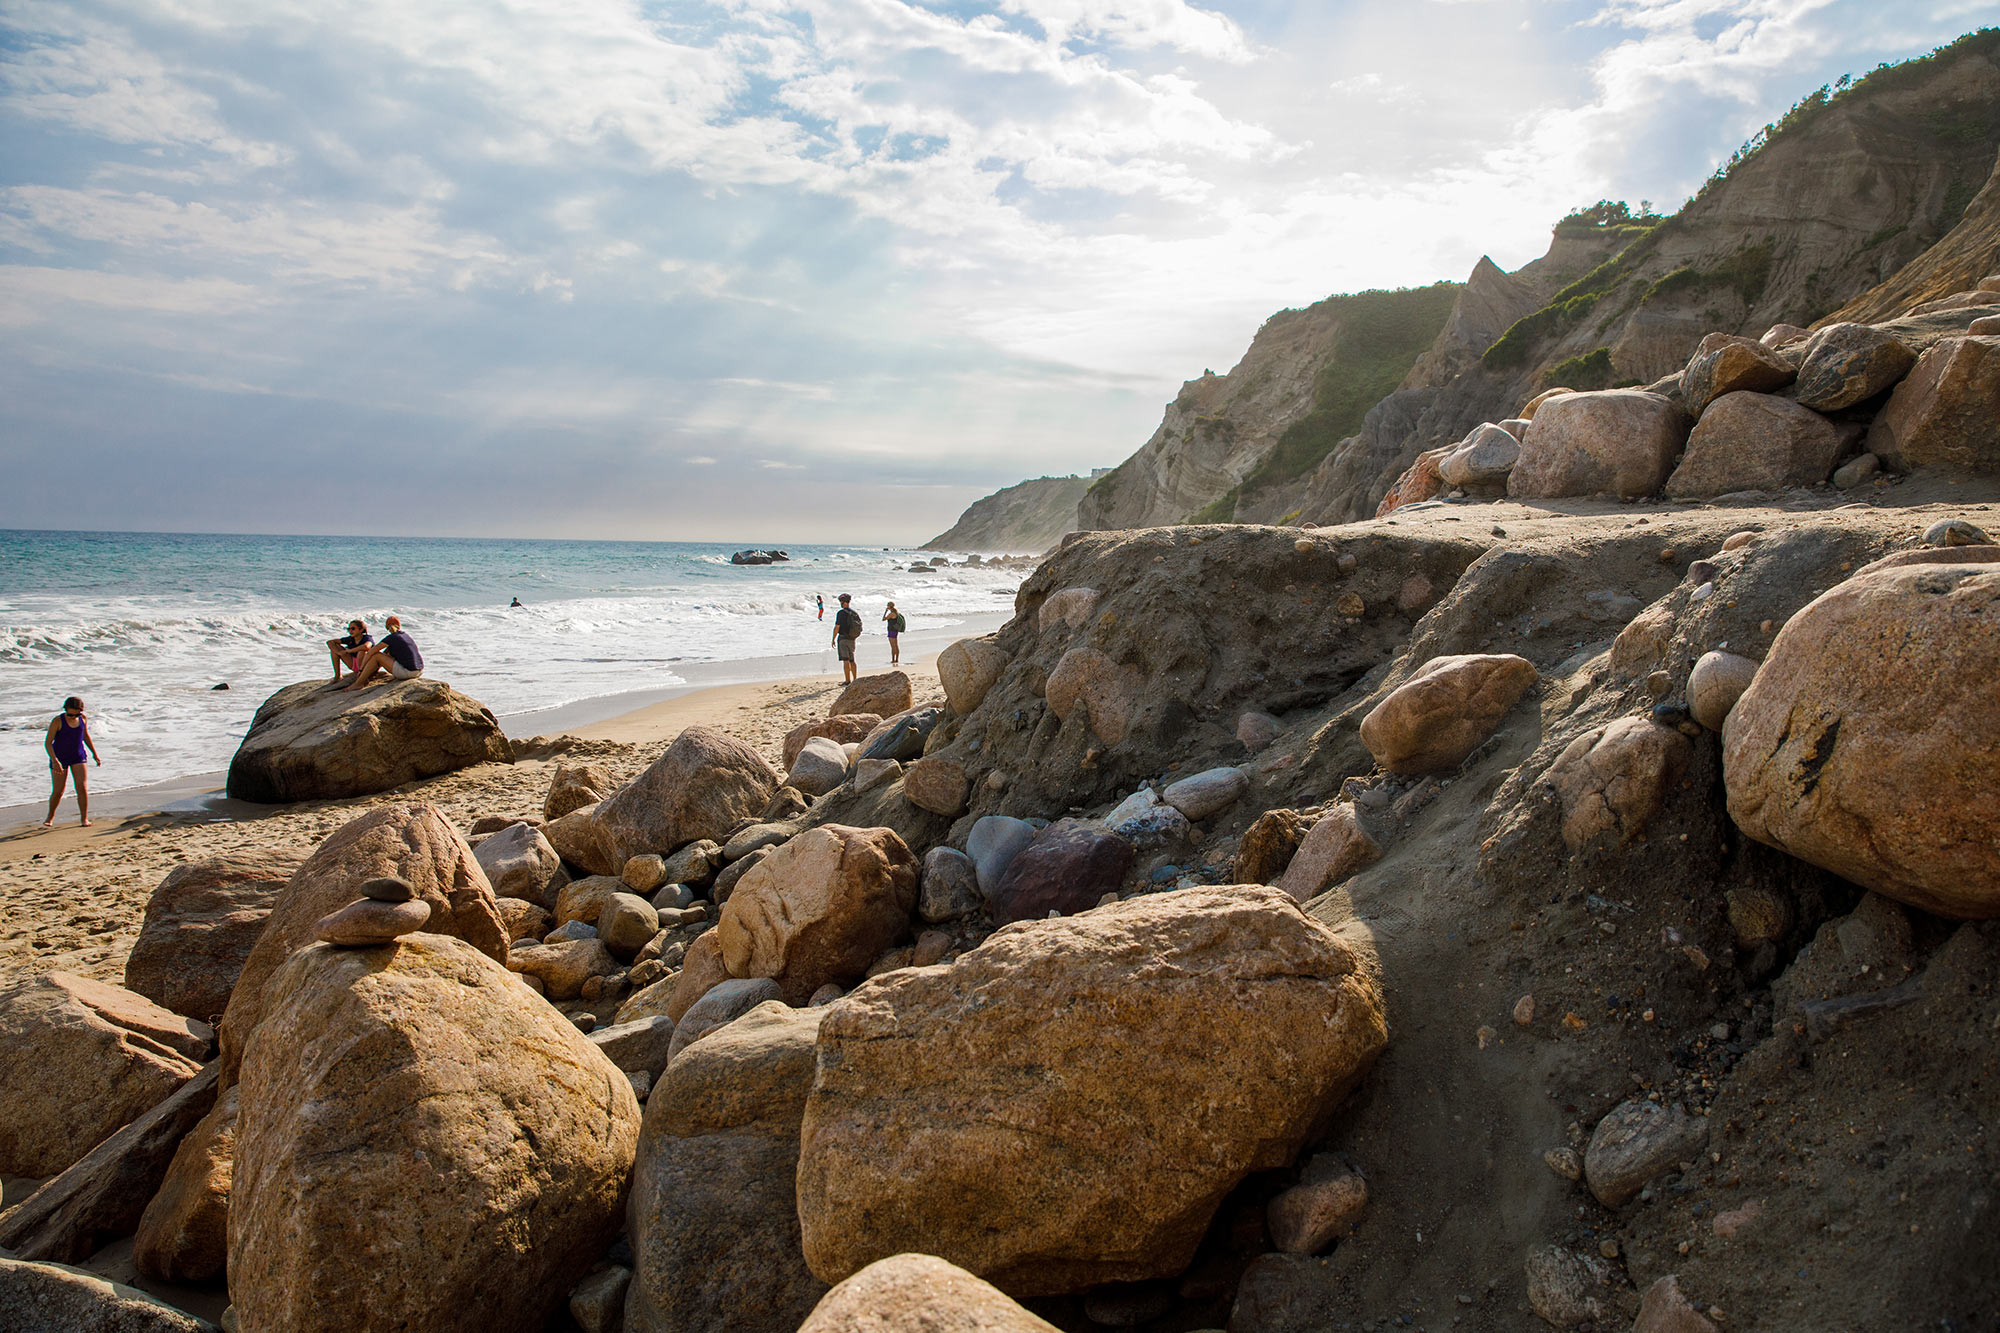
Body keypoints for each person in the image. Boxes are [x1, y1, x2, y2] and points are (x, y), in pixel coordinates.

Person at [43, 696, 100, 828]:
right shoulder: (58, 721)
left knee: (81, 787)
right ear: (65, 709)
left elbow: (85, 736)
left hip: (78, 756)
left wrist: (94, 753)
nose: (73, 717)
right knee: (58, 791)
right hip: (59, 758)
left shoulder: (83, 719)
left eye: (76, 714)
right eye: (70, 714)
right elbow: (48, 743)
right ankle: (50, 817)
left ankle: (84, 819)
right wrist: (54, 760)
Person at [342, 615, 425, 689]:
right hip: (419, 671)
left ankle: (358, 683)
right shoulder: (405, 635)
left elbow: (371, 652)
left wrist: (361, 670)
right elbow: (385, 655)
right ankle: (368, 676)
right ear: (399, 626)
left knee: (376, 656)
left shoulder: (391, 638)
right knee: (381, 656)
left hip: (408, 673)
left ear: (387, 627)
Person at [831, 594, 862, 684]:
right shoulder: (854, 613)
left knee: (845, 660)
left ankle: (847, 680)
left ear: (843, 602)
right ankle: (855, 679)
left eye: (841, 602)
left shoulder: (841, 613)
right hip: (852, 638)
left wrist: (833, 638)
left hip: (843, 638)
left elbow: (837, 627)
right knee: (852, 660)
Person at [882, 601, 906, 665]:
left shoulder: (892, 614)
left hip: (891, 630)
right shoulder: (896, 613)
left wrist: (885, 612)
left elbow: (883, 619)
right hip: (895, 630)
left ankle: (893, 659)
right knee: (896, 645)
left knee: (893, 646)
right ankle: (896, 659)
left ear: (889, 606)